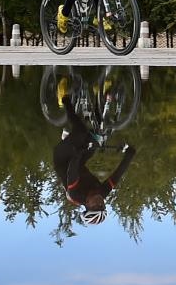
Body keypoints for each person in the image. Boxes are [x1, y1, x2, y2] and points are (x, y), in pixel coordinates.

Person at [52, 94, 136, 225]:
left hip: (63, 160)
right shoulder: (102, 192)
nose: (99, 203)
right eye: (102, 206)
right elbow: (118, 174)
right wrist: (129, 155)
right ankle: (98, 97)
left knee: (81, 132)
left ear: (87, 205)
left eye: (95, 206)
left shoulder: (76, 195)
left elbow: (72, 169)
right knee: (99, 135)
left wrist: (81, 151)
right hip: (80, 161)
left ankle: (65, 100)